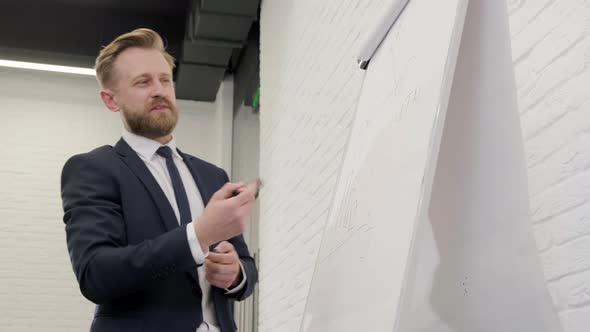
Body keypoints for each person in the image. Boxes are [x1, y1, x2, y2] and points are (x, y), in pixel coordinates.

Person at [60, 28, 259, 332]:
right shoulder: (93, 169)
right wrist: (198, 235)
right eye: (143, 82)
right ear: (111, 100)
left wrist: (235, 274)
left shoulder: (213, 176)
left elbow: (245, 268)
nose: (159, 90)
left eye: (165, 79)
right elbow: (96, 274)